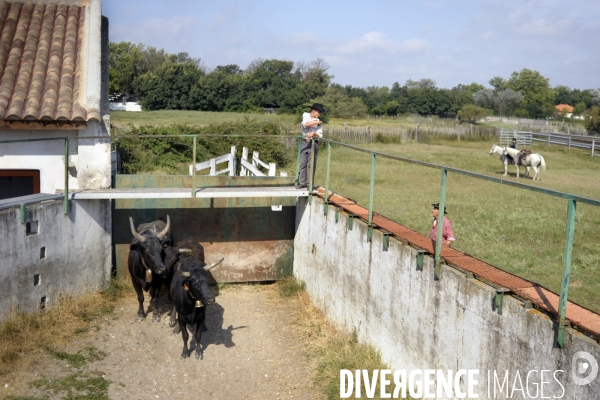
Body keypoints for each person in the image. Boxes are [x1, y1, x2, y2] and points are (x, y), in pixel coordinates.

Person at [296, 103, 326, 189]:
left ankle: (309, 184)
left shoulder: (318, 121)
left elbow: (320, 135)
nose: (319, 114)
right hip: (305, 142)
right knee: (302, 163)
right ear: (313, 111)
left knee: (311, 164)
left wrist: (314, 133)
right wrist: (318, 122)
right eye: (318, 112)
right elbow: (305, 124)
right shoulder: (305, 115)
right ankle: (302, 183)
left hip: (314, 143)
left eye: (320, 112)